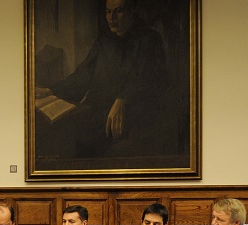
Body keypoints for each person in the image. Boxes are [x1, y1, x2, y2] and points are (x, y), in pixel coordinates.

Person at [35, 0, 166, 158]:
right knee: (57, 128)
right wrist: (51, 90)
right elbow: (83, 75)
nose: (112, 18)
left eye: (118, 11)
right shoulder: (104, 41)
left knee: (79, 137)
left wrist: (123, 99)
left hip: (133, 110)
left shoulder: (150, 39)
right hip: (97, 108)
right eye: (108, 12)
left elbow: (150, 80)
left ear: (132, 12)